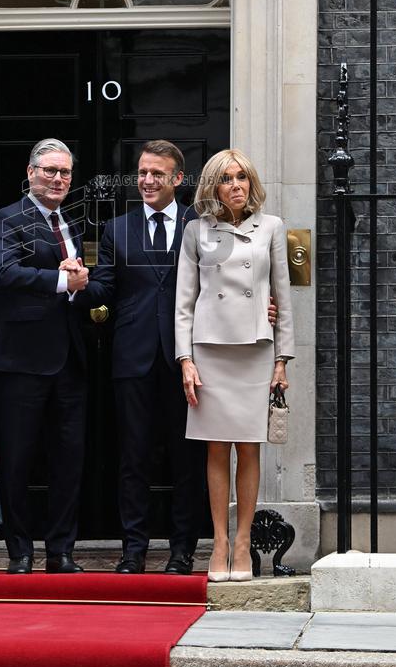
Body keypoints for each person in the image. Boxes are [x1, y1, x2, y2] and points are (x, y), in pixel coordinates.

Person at [74, 140, 276, 575]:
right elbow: (104, 288)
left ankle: (183, 550)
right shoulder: (117, 229)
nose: (147, 180)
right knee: (133, 456)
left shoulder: (203, 223)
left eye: (157, 174)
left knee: (189, 459)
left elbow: (236, 277)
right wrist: (77, 283)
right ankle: (134, 549)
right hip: (133, 355)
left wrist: (263, 306)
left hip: (197, 356)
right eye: (143, 172)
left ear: (177, 179)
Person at [174, 149, 294, 582]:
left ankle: (242, 542)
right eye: (227, 179)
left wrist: (283, 359)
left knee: (249, 445)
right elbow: (183, 301)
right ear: (213, 187)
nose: (237, 185)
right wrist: (185, 359)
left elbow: (283, 292)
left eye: (242, 176)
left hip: (256, 347)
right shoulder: (196, 231)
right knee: (215, 446)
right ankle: (219, 542)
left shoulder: (272, 228)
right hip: (210, 347)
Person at [0, 138, 89, 574]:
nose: (58, 179)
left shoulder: (72, 224)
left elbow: (83, 282)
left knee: (69, 458)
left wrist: (86, 285)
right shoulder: (8, 219)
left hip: (70, 357)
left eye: (64, 172)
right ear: (30, 173)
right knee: (18, 459)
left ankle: (61, 550)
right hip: (21, 360)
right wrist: (61, 281)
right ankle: (20, 551)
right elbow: (2, 273)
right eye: (49, 170)